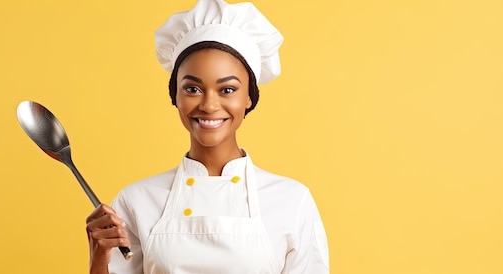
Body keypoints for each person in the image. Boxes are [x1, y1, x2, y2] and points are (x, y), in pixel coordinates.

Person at [85, 0, 329, 273]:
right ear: (175, 96)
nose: (209, 105)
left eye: (227, 90)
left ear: (249, 97)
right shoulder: (137, 200)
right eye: (192, 88)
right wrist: (98, 261)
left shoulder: (291, 200)